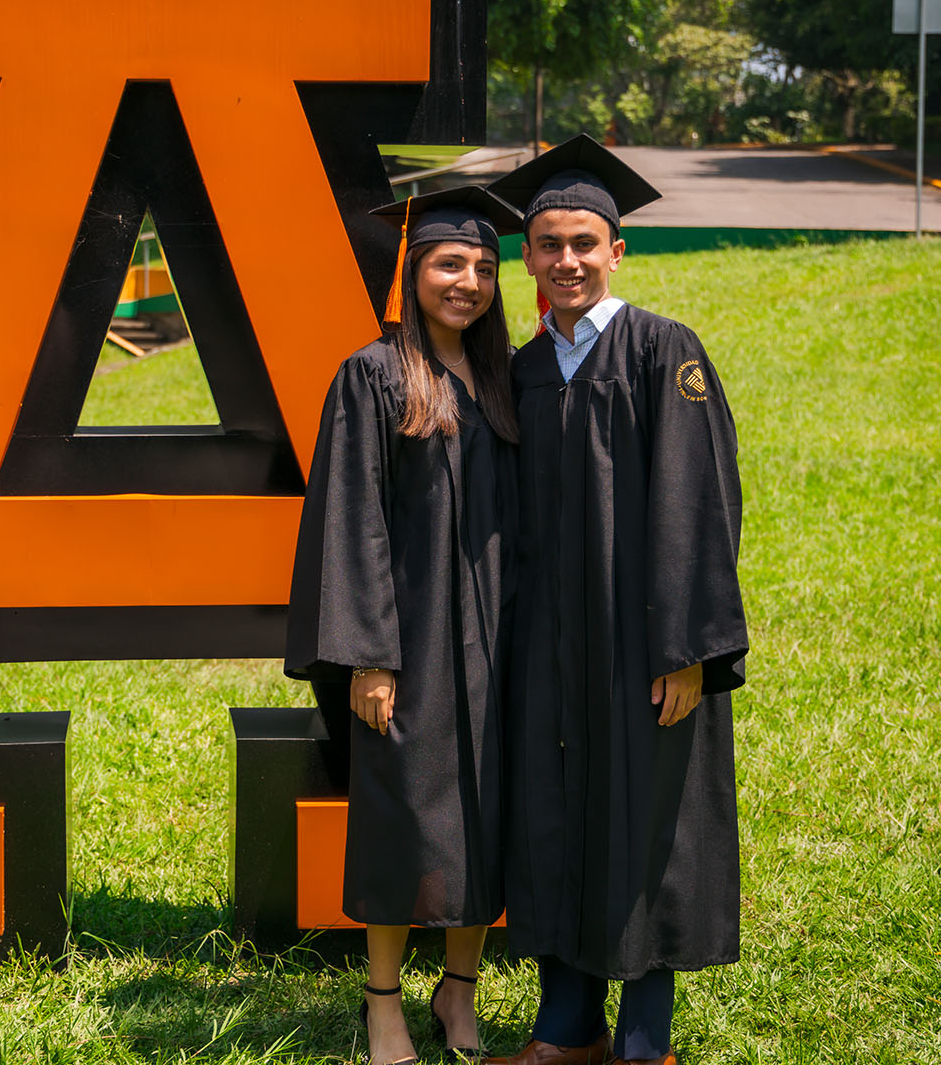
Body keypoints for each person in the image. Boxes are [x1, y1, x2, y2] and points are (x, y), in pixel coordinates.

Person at [484, 136, 749, 1065]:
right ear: (528, 257)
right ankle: (566, 1031)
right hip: (550, 651)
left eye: (584, 244)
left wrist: (689, 650)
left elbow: (699, 503)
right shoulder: (522, 369)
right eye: (549, 244)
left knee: (643, 829)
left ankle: (645, 1042)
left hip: (642, 651)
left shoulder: (661, 349)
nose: (567, 261)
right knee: (556, 821)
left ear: (617, 251)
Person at [285, 185, 524, 1065]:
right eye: (449, 262)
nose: (467, 281)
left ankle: (458, 994)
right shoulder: (375, 375)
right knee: (402, 816)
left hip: (503, 641)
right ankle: (383, 1002)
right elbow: (353, 519)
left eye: (485, 267)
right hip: (412, 642)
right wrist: (370, 658)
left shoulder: (508, 378)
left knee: (491, 813)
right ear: (413, 270)